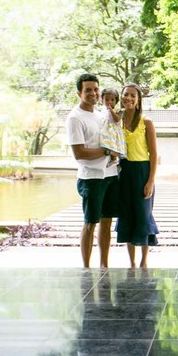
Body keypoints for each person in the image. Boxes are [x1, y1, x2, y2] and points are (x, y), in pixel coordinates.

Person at [66, 73, 121, 267]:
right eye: (88, 90)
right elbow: (79, 153)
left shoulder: (101, 115)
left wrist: (115, 152)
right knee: (91, 223)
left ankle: (104, 265)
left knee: (107, 221)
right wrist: (107, 150)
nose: (93, 93)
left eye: (96, 89)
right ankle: (86, 268)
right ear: (79, 93)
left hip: (110, 175)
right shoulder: (75, 118)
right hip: (92, 178)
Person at [115, 83, 159, 268]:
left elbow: (154, 154)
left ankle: (144, 261)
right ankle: (131, 262)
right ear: (121, 97)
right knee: (126, 215)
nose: (129, 98)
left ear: (139, 99)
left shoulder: (146, 122)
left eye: (133, 95)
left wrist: (150, 181)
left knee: (143, 215)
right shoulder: (117, 121)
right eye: (126, 95)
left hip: (142, 171)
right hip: (124, 171)